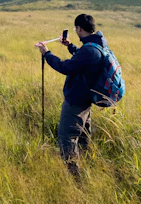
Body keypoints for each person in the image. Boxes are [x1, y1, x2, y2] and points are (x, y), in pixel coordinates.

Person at [37, 14, 107, 177]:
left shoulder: (89, 50)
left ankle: (74, 177)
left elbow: (65, 67)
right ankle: (87, 165)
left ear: (79, 28)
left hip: (77, 100)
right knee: (83, 135)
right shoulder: (97, 43)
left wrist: (47, 54)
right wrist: (70, 46)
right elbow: (83, 57)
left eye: (76, 29)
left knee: (66, 137)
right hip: (86, 98)